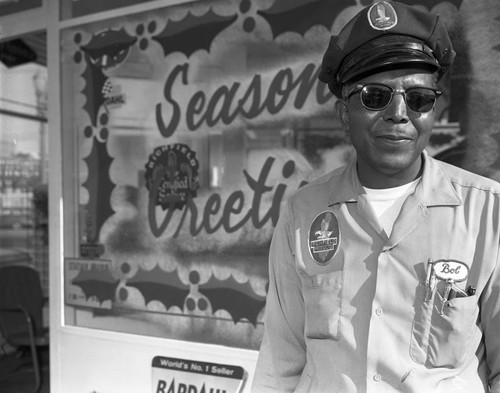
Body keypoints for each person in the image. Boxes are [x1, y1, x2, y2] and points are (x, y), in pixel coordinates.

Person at [251, 1, 500, 392]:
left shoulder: (489, 212)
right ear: (344, 114)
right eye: (374, 96)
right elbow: (279, 364)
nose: (399, 113)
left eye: (419, 98)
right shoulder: (303, 213)